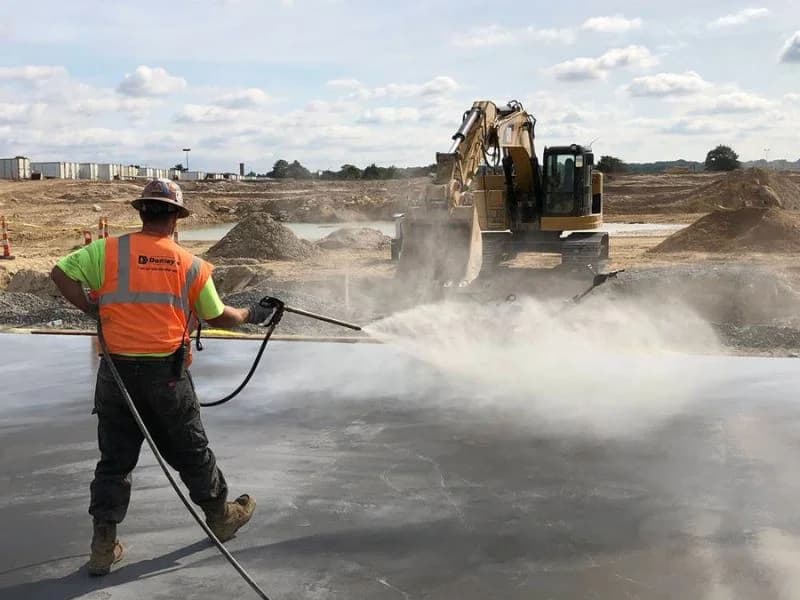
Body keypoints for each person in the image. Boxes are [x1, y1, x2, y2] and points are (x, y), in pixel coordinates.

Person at [51, 179, 274, 576]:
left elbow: (60, 273)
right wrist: (251, 315)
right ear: (175, 218)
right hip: (166, 377)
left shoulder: (108, 251)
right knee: (190, 449)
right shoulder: (190, 265)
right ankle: (220, 516)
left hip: (116, 375)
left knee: (114, 462)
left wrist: (90, 308)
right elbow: (217, 315)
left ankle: (103, 547)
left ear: (142, 212)